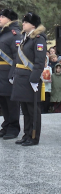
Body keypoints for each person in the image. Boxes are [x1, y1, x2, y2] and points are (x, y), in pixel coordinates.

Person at [11, 12, 47, 146]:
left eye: (25, 22)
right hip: (22, 78)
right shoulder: (25, 37)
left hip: (30, 79)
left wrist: (34, 79)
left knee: (33, 110)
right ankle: (26, 135)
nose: (23, 24)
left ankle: (33, 137)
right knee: (25, 110)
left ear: (33, 24)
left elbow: (39, 62)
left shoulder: (38, 38)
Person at [0, 9, 21, 139]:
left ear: (10, 19)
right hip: (1, 74)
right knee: (3, 101)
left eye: (2, 16)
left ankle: (14, 127)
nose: (0, 18)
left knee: (11, 102)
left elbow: (17, 57)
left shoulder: (15, 34)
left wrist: (13, 74)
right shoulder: (3, 34)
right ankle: (6, 125)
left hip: (9, 73)